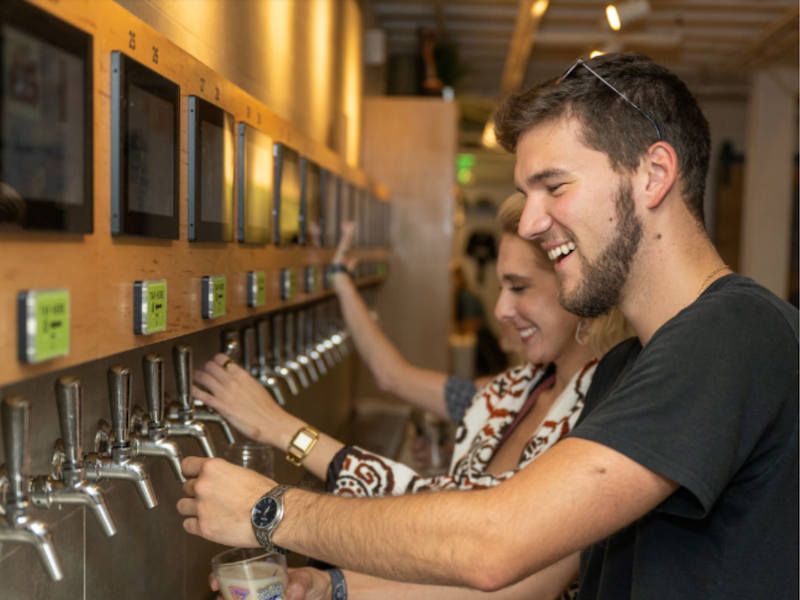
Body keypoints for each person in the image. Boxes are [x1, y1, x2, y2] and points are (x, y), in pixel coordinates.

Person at [178, 53, 798, 600]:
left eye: (553, 186)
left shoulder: (734, 332)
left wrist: (271, 511)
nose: (530, 223)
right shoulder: (626, 365)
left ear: (654, 174)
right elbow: (535, 576)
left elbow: (493, 543)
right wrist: (330, 585)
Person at [193, 193, 631, 599]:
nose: (499, 308)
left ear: (578, 284)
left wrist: (279, 443)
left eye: (518, 287)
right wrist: (328, 583)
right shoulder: (514, 391)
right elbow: (414, 494)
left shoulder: (610, 410)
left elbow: (509, 579)